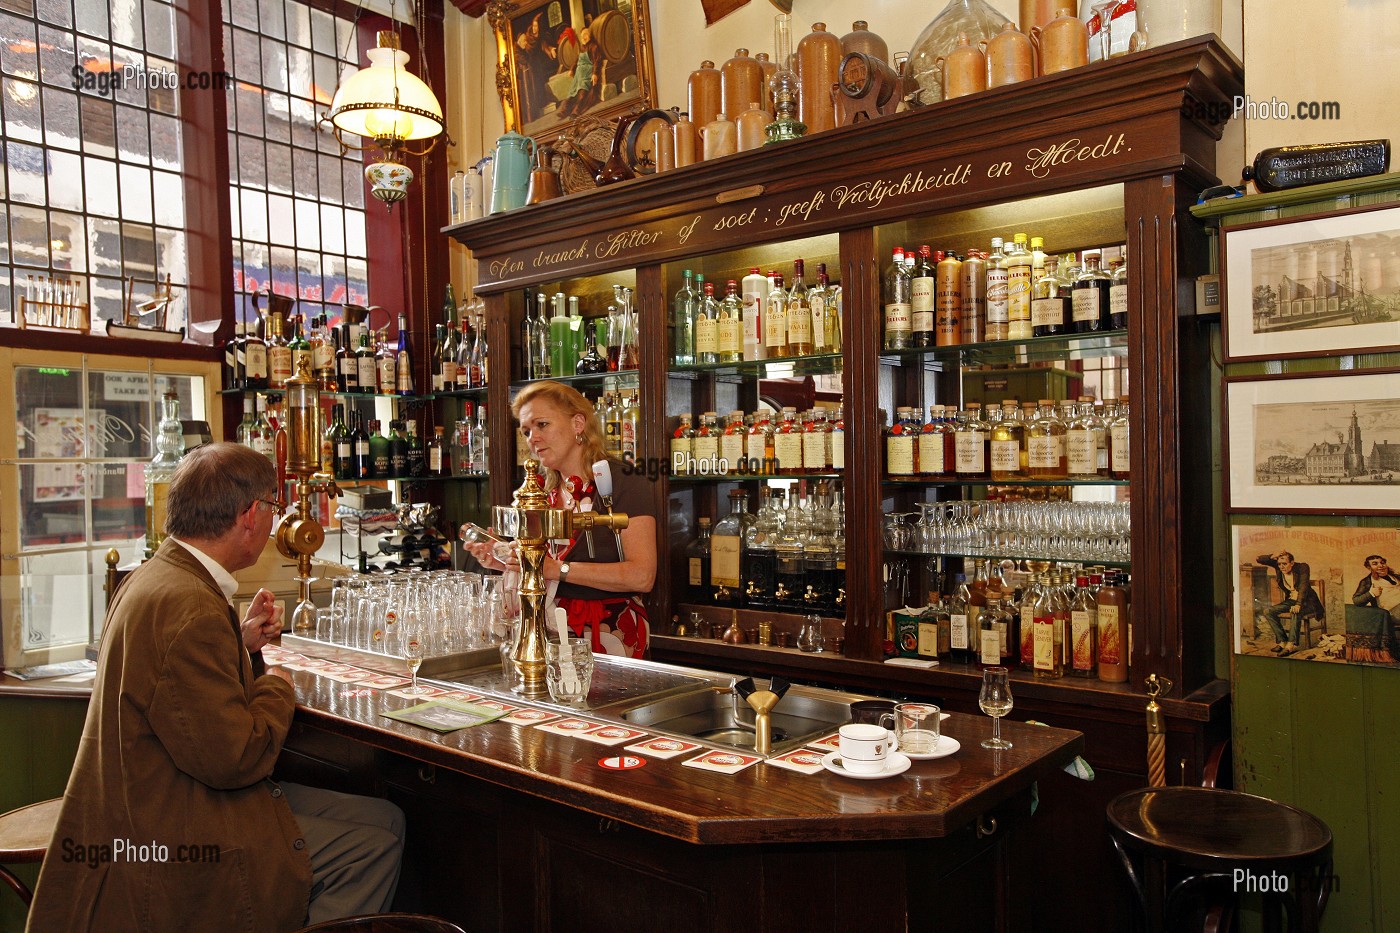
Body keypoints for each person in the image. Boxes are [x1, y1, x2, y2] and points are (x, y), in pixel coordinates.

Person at [27, 444, 404, 932]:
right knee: (374, 848)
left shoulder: (157, 578)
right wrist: (278, 687)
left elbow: (174, 686)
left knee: (387, 818)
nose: (274, 522)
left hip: (151, 797)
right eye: (272, 508)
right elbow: (236, 759)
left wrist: (239, 643)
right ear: (250, 515)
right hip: (175, 828)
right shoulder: (192, 606)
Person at [466, 381, 655, 658]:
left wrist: (556, 569)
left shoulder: (622, 482)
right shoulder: (543, 491)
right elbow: (541, 568)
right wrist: (506, 561)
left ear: (578, 423)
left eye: (542, 425)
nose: (532, 438)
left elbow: (643, 576)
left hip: (611, 635)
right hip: (551, 635)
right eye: (526, 431)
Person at [1256, 550, 1324, 656]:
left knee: (1294, 612)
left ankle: (1290, 645)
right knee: (1268, 611)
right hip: (1291, 601)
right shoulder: (1279, 568)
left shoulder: (1302, 567)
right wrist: (1274, 556)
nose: (1281, 567)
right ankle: (1282, 641)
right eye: (1279, 564)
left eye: (1285, 564)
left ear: (1292, 563)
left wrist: (1298, 604)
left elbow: (1303, 587)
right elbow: (1259, 559)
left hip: (1308, 602)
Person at [1352, 554, 1400, 624]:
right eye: (1375, 564)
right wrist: (1371, 593)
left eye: (1382, 563)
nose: (1381, 566)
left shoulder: (1396, 577)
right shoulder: (1367, 582)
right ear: (1369, 568)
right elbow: (1356, 601)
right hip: (1390, 614)